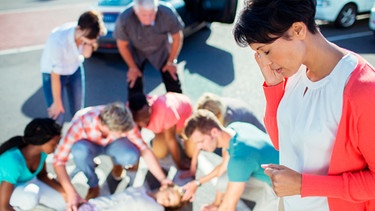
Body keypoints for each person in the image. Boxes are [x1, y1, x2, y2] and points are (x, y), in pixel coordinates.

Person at [233, 0, 375, 210]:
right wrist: (273, 88)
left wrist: (303, 185)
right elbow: (282, 142)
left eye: (267, 51)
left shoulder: (362, 89)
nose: (264, 62)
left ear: (298, 29)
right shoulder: (294, 71)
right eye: (259, 54)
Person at [53, 102, 171, 210]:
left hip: (112, 145)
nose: (125, 133)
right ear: (105, 127)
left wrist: (163, 179)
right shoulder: (80, 124)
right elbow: (58, 161)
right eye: (121, 133)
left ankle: (117, 163)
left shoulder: (123, 120)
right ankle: (93, 184)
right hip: (88, 147)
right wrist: (71, 193)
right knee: (79, 152)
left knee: (131, 154)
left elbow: (144, 149)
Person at [181, 109, 279, 211]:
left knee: (230, 191)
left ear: (214, 132)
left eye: (201, 141)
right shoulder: (234, 128)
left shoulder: (240, 157)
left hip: (280, 186)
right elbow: (222, 168)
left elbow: (230, 204)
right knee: (223, 181)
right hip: (270, 170)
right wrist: (196, 183)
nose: (199, 147)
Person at [40, 10, 107, 124]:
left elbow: (86, 54)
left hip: (74, 69)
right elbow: (55, 74)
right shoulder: (58, 40)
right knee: (58, 115)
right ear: (79, 29)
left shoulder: (88, 35)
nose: (90, 40)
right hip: (53, 73)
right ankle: (57, 140)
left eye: (93, 39)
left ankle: (76, 138)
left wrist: (88, 43)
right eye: (88, 38)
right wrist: (57, 102)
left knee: (78, 113)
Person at [181, 92, 266, 179]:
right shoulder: (215, 108)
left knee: (228, 175)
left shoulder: (232, 124)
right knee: (207, 139)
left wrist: (198, 182)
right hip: (241, 138)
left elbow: (223, 166)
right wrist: (193, 167)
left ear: (217, 115)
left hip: (255, 149)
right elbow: (198, 138)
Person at [114, 0, 185, 100]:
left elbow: (177, 38)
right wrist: (132, 67)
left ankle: (180, 108)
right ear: (136, 11)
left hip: (161, 49)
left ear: (156, 9)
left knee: (172, 78)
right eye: (144, 15)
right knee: (134, 82)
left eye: (151, 14)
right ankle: (137, 111)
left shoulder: (167, 12)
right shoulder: (124, 18)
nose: (148, 19)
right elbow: (122, 45)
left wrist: (171, 61)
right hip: (137, 50)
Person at [0, 118, 66, 211]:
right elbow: (3, 207)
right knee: (29, 198)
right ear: (44, 139)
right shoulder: (13, 162)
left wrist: (67, 193)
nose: (57, 146)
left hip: (24, 183)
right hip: (3, 194)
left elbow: (42, 175)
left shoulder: (42, 153)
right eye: (55, 142)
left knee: (64, 202)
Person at [128, 92, 193, 170]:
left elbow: (170, 139)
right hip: (164, 126)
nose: (144, 123)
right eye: (139, 120)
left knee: (191, 152)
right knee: (159, 153)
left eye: (146, 117)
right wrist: (135, 163)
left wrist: (179, 164)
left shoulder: (166, 110)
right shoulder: (129, 111)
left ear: (150, 106)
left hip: (183, 121)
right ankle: (167, 134)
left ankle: (183, 137)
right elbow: (136, 138)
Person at [78, 185, 188, 211]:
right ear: (164, 188)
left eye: (169, 203)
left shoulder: (157, 208)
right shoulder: (141, 189)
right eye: (169, 197)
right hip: (96, 205)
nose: (166, 201)